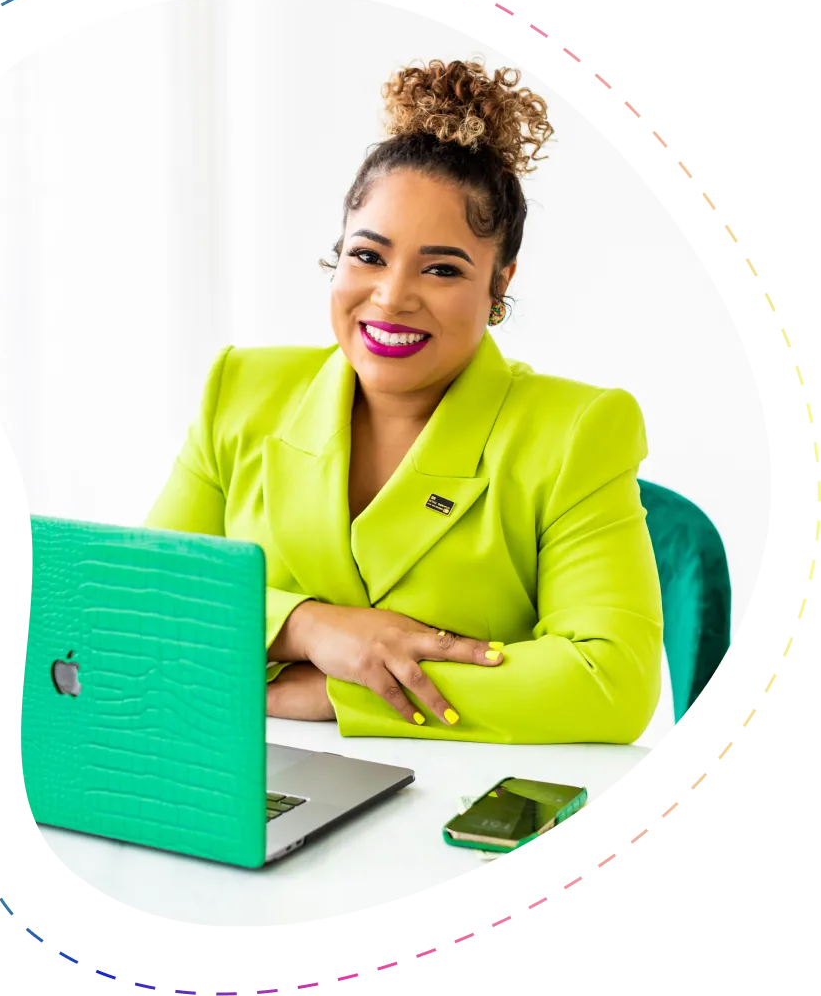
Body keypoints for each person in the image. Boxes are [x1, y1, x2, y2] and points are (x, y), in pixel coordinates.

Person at [145, 58, 663, 744]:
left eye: (442, 268)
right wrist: (306, 625)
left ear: (498, 285)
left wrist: (340, 694)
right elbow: (142, 608)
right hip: (245, 779)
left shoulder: (578, 430)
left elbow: (610, 682)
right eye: (368, 256)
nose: (391, 297)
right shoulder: (240, 390)